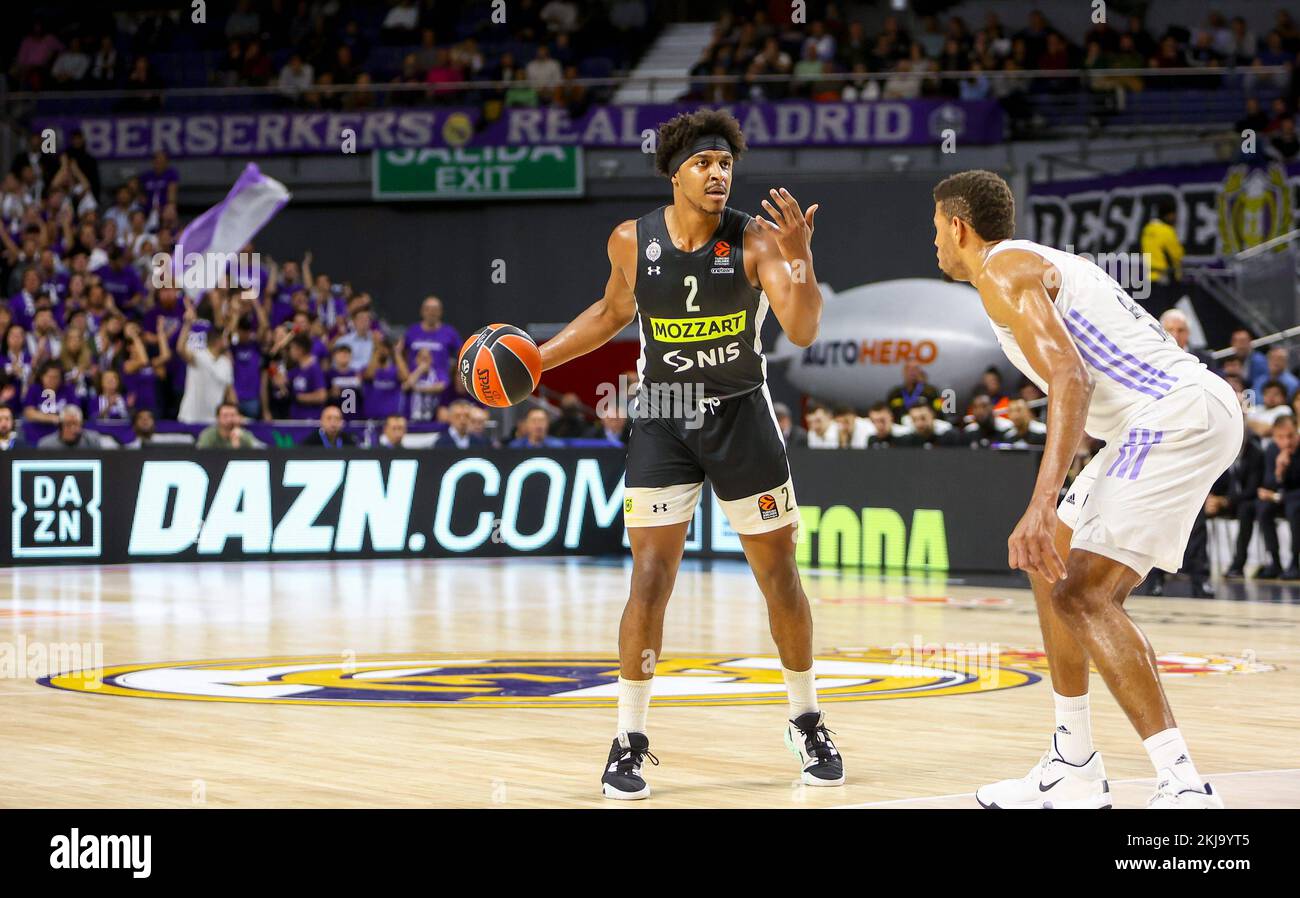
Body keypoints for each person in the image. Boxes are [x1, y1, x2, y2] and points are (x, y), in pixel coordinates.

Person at [537, 109, 842, 800]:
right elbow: (612, 313)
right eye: (705, 164)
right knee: (649, 577)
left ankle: (806, 719)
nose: (718, 174)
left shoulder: (759, 242)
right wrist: (538, 359)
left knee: (780, 578)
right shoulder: (629, 240)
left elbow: (801, 325)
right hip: (664, 417)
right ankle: (629, 741)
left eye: (726, 164)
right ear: (676, 172)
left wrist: (801, 257)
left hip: (741, 413)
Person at [932, 169, 1242, 808]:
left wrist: (1042, 501)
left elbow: (1070, 379)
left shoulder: (1001, 270)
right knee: (1053, 572)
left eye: (935, 229)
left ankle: (1183, 785)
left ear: (958, 227)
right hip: (1158, 418)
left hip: (1174, 412)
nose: (933, 242)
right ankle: (1073, 763)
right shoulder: (1024, 268)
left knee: (1085, 594)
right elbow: (1082, 380)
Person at [1253, 414, 1300, 579]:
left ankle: (1295, 561)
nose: (1286, 442)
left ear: (1297, 433)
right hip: (1281, 497)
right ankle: (1274, 561)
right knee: (1262, 508)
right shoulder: (1272, 449)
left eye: (1291, 436)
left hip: (1293, 498)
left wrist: (1277, 495)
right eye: (1281, 437)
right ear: (1274, 436)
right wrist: (1279, 471)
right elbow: (1268, 482)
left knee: (1294, 507)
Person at [176, 303, 235, 424]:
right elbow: (180, 349)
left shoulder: (226, 363)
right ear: (218, 340)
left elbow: (229, 391)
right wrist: (187, 324)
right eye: (225, 338)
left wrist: (235, 413)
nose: (228, 342)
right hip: (190, 418)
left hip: (214, 421)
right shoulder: (199, 356)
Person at [1222, 434, 1266, 578]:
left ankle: (1238, 564)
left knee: (1245, 510)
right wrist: (1211, 498)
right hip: (1232, 498)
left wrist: (1226, 501)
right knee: (1200, 510)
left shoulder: (1255, 452)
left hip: (1250, 499)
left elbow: (1252, 489)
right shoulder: (1224, 450)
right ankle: (1193, 566)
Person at [1140, 197, 1183, 283]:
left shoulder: (1147, 229)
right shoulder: (1167, 231)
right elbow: (1176, 256)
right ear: (1169, 215)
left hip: (1146, 278)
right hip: (1163, 278)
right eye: (1174, 215)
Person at [196, 401, 264, 448]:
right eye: (225, 416)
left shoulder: (245, 436)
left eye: (233, 415)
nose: (229, 419)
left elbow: (259, 451)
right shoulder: (208, 435)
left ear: (239, 417)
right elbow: (201, 453)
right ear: (217, 418)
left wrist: (237, 445)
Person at [37, 405, 108, 449]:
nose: (72, 428)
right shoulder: (46, 445)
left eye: (75, 424)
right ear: (61, 425)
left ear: (81, 425)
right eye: (68, 424)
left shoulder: (92, 441)